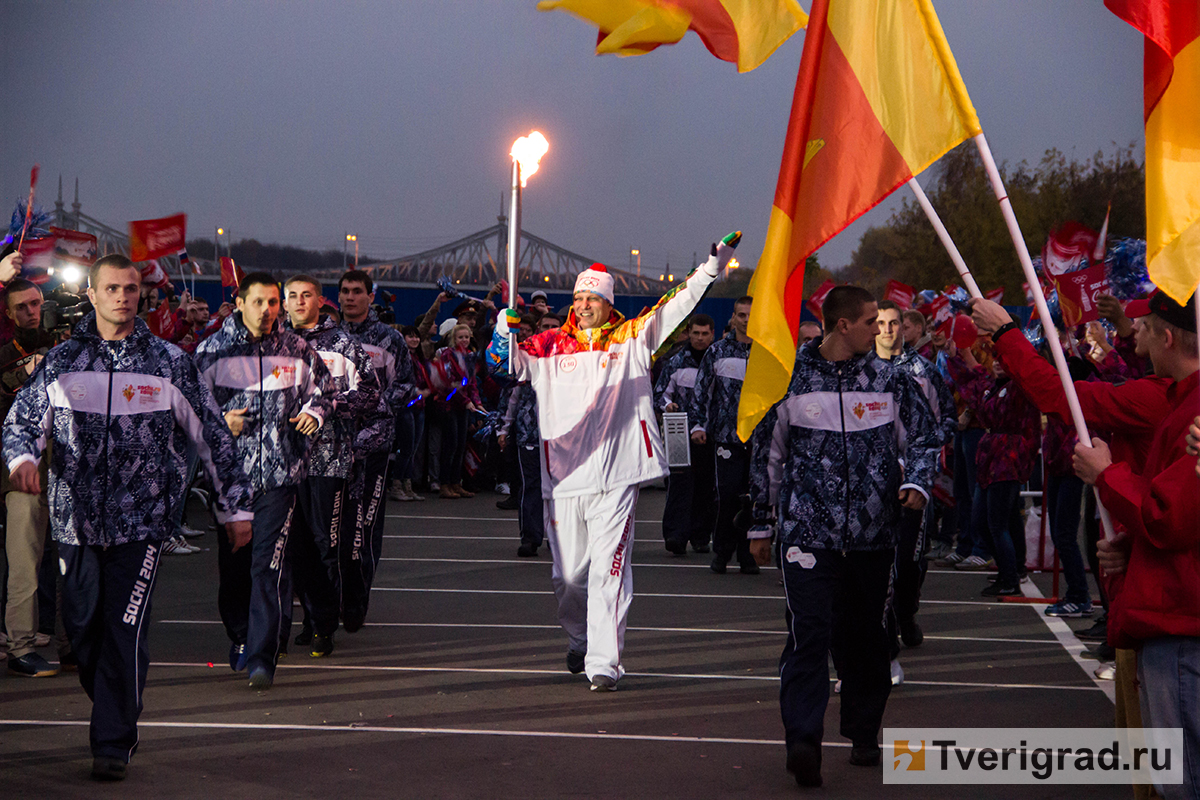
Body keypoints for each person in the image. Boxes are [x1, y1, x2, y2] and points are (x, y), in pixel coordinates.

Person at [3, 255, 253, 780]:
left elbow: (212, 436)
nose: (123, 296)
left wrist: (234, 508)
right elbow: (21, 422)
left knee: (123, 626)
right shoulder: (63, 360)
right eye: (112, 288)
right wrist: (23, 459)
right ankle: (115, 699)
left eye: (131, 288)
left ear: (140, 294)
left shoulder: (168, 363)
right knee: (83, 628)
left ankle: (113, 740)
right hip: (75, 524)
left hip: (142, 524)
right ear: (92, 295)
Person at [486, 232, 740, 691]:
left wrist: (709, 269)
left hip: (618, 475)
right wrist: (503, 332)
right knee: (569, 577)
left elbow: (672, 307)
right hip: (564, 478)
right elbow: (499, 367)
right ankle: (581, 638)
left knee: (610, 570)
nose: (583, 305)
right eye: (579, 297)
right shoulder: (545, 346)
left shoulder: (631, 339)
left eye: (593, 298)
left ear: (608, 304)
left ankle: (604, 662)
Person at [756, 286, 939, 787]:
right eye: (868, 323)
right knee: (808, 633)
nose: (879, 331)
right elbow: (767, 455)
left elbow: (923, 438)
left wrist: (916, 481)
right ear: (842, 326)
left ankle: (862, 731)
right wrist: (758, 520)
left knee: (865, 640)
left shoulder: (889, 378)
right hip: (806, 534)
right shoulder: (790, 377)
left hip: (873, 538)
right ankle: (803, 740)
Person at [1067, 290, 1199, 800]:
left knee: (1180, 781)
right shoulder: (1176, 399)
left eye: (1144, 327)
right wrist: (1135, 547)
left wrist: (1108, 476)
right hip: (1174, 612)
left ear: (1167, 338)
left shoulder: (1185, 404)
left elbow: (1171, 516)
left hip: (1182, 624)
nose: (1134, 334)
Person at [194, 271, 333, 689]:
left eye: (274, 303)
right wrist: (221, 423)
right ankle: (239, 635)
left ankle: (262, 656)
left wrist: (314, 414)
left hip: (280, 474)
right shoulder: (211, 352)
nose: (269, 311)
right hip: (230, 480)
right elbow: (186, 410)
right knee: (235, 568)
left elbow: (323, 391)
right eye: (259, 302)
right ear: (239, 303)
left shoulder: (297, 348)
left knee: (268, 568)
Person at [282, 275, 379, 657]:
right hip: (282, 462)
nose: (299, 302)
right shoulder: (273, 344)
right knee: (293, 547)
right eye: (292, 296)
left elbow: (371, 394)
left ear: (321, 301)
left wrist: (329, 407)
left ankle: (323, 624)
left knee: (325, 545)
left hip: (329, 459)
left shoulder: (343, 344)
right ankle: (303, 618)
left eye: (306, 295)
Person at [874, 300, 955, 679]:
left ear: (906, 329)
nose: (888, 331)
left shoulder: (923, 372)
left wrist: (916, 462)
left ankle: (906, 613)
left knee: (907, 562)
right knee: (877, 565)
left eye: (894, 324)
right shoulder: (861, 371)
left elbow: (945, 419)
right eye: (881, 323)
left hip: (913, 485)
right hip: (872, 486)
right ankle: (882, 640)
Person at [0, 278, 71, 677]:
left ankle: (72, 643)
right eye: (22, 307)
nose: (31, 312)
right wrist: (24, 373)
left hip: (65, 469)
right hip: (22, 474)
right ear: (8, 314)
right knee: (25, 563)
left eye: (36, 304)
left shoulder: (66, 347)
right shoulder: (6, 356)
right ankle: (21, 646)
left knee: (72, 563)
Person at [338, 269, 414, 632]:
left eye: (357, 291)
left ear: (370, 296)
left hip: (373, 448)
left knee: (364, 528)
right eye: (345, 292)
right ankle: (329, 598)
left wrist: (374, 410)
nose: (350, 297)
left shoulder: (390, 339)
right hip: (330, 447)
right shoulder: (328, 337)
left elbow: (405, 386)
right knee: (329, 529)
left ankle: (357, 600)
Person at [691, 296, 760, 574]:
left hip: (759, 440)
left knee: (754, 497)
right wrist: (698, 425)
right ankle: (721, 551)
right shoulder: (718, 351)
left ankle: (748, 555)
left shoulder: (768, 352)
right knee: (728, 495)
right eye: (741, 315)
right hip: (727, 438)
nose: (745, 320)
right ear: (733, 317)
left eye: (751, 315)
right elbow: (701, 391)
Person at [653, 313, 716, 555]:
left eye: (704, 333)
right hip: (679, 432)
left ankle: (700, 536)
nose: (700, 338)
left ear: (712, 333)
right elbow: (659, 395)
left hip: (710, 432)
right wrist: (666, 405)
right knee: (680, 483)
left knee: (705, 485)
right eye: (696, 333)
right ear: (689, 333)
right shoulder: (675, 362)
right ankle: (675, 535)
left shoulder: (717, 362)